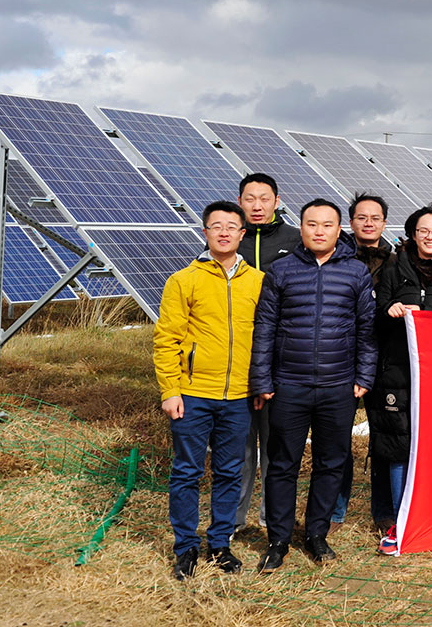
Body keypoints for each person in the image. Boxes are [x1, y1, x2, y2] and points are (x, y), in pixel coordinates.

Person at [250, 198, 377, 571]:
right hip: (289, 384)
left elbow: (367, 330)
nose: (319, 231)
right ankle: (278, 539)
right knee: (282, 464)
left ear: (339, 230)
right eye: (311, 224)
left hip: (339, 386)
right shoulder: (281, 271)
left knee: (331, 461)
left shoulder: (355, 272)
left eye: (327, 225)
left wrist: (364, 376)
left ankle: (317, 534)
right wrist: (262, 378)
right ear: (301, 228)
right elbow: (265, 328)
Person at [153, 200, 264, 580]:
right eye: (216, 226)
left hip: (239, 396)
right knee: (186, 472)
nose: (224, 232)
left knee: (230, 471)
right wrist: (170, 390)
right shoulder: (183, 280)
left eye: (231, 227)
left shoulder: (257, 281)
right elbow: (166, 340)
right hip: (193, 393)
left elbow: (264, 338)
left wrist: (259, 384)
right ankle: (185, 546)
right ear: (205, 232)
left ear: (242, 234)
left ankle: (219, 543)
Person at [369, 205, 432, 555]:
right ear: (412, 234)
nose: (430, 237)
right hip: (397, 370)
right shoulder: (393, 267)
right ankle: (402, 519)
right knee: (399, 443)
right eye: (424, 230)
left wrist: (426, 316)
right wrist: (392, 311)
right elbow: (377, 314)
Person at [234, 172, 301, 533]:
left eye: (264, 198)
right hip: (237, 359)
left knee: (277, 448)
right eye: (250, 198)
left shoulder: (295, 240)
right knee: (239, 449)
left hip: (284, 360)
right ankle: (234, 520)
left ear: (277, 200)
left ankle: (272, 519)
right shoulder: (230, 239)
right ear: (240, 202)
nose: (257, 206)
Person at [331, 193, 397, 535]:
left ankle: (384, 512)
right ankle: (334, 510)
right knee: (337, 438)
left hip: (386, 361)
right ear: (351, 222)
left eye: (375, 218)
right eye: (361, 217)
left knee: (383, 436)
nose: (368, 223)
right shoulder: (335, 259)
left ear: (384, 223)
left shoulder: (397, 263)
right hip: (342, 359)